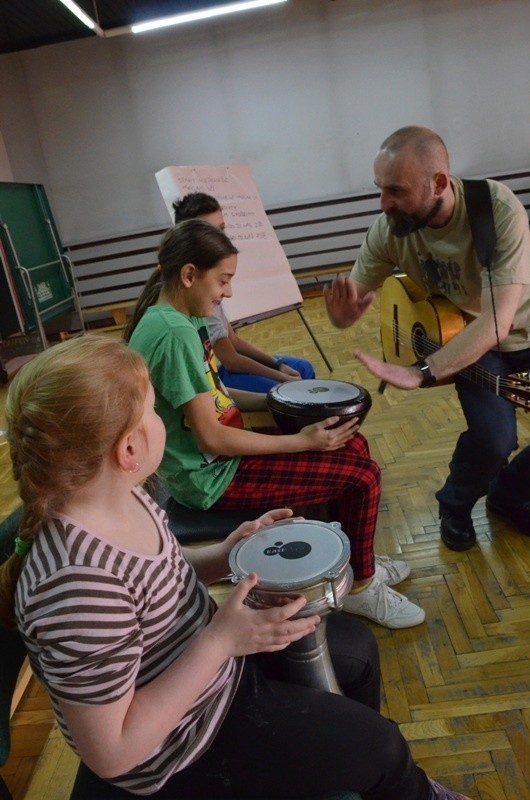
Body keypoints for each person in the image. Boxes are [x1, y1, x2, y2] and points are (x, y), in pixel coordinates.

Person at [0, 336, 470, 800]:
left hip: (209, 668)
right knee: (384, 749)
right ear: (128, 450)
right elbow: (115, 752)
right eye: (153, 412)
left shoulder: (122, 493)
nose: (164, 420)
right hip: (179, 745)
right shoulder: (76, 586)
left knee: (359, 650)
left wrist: (224, 556)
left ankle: (357, 776)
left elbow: (160, 570)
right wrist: (222, 640)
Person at [125, 218, 425, 629]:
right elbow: (212, 436)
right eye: (223, 280)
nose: (228, 291)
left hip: (215, 461)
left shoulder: (180, 321)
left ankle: (353, 560)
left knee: (353, 447)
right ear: (190, 275)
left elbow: (216, 399)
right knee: (364, 476)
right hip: (209, 479)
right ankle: (359, 588)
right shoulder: (174, 333)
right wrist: (303, 441)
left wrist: (277, 397)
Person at [324, 125, 530, 552]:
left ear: (439, 183)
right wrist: (343, 315)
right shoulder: (390, 228)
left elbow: (499, 320)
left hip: (510, 326)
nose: (384, 204)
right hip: (471, 340)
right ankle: (454, 504)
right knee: (494, 439)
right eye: (380, 189)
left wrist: (422, 373)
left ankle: (508, 492)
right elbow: (356, 296)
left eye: (395, 190)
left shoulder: (494, 208)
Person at [172, 192, 316, 392]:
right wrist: (280, 375)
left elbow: (233, 339)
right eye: (211, 232)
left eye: (222, 229)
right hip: (219, 374)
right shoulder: (199, 294)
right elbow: (230, 360)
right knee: (287, 391)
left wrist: (277, 364)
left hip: (228, 367)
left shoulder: (211, 281)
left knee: (303, 370)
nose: (228, 292)